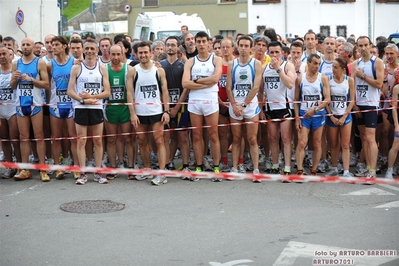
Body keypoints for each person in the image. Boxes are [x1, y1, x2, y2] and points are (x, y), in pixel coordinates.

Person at [67, 39, 111, 185]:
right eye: (87, 49)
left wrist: (92, 98)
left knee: (97, 140)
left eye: (93, 48)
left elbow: (107, 92)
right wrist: (82, 101)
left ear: (97, 50)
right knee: (81, 140)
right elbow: (70, 91)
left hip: (96, 108)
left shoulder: (102, 67)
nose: (90, 51)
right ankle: (82, 173)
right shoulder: (76, 68)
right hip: (81, 108)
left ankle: (98, 172)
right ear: (83, 50)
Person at [126, 41, 170, 186]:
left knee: (159, 141)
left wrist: (166, 111)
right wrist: (132, 114)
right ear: (136, 54)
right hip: (140, 113)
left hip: (156, 112)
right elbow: (129, 93)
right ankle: (147, 169)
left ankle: (162, 173)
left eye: (146, 52)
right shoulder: (133, 70)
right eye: (141, 52)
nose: (143, 55)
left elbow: (165, 92)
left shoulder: (159, 70)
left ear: (151, 53)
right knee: (142, 141)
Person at [182, 31, 223, 181]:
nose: (200, 44)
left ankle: (216, 167)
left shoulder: (216, 59)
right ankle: (199, 166)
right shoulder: (190, 62)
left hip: (210, 101)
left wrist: (197, 81)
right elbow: (185, 83)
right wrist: (205, 82)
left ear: (208, 43)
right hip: (195, 102)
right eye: (198, 41)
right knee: (197, 135)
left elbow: (216, 78)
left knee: (213, 135)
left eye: (203, 41)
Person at [10, 37, 50, 181]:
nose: (25, 47)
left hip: (35, 104)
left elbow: (46, 84)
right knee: (23, 137)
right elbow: (12, 86)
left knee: (39, 136)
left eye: (28, 45)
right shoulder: (16, 63)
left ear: (33, 47)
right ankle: (24, 169)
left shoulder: (39, 62)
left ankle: (43, 169)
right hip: (21, 104)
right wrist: (14, 79)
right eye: (23, 44)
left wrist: (31, 79)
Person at [226, 35, 262, 182]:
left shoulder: (256, 64)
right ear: (237, 46)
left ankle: (255, 170)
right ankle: (234, 168)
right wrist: (235, 105)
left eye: (246, 46)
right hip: (235, 105)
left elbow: (256, 87)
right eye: (241, 45)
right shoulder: (231, 64)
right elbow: (228, 87)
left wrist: (244, 105)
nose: (243, 48)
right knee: (236, 138)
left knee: (252, 139)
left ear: (251, 48)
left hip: (250, 105)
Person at [260, 41, 296, 176]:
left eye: (277, 52)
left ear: (282, 53)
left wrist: (278, 69)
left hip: (284, 107)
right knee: (273, 138)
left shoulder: (288, 65)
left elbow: (290, 84)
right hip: (270, 108)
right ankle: (275, 164)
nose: (274, 55)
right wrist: (261, 109)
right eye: (272, 52)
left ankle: (287, 167)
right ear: (268, 53)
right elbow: (260, 90)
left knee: (286, 138)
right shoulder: (264, 68)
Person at [352, 36, 384, 181]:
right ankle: (367, 168)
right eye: (360, 45)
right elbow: (352, 85)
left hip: (371, 104)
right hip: (359, 104)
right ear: (357, 47)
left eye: (366, 45)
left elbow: (379, 84)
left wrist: (363, 76)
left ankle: (372, 170)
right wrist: (353, 103)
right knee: (364, 138)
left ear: (370, 46)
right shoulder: (355, 64)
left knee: (371, 138)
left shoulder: (377, 62)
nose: (363, 48)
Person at [47, 36, 79, 180]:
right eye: (52, 45)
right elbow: (48, 86)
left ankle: (76, 167)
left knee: (73, 138)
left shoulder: (74, 62)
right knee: (56, 137)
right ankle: (58, 167)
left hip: (71, 104)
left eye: (56, 45)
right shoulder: (50, 65)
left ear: (65, 46)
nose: (53, 47)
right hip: (56, 104)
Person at [295, 54, 331, 176]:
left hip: (318, 115)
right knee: (302, 142)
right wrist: (296, 118)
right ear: (308, 63)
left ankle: (314, 169)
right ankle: (300, 169)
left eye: (319, 63)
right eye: (315, 63)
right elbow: (296, 100)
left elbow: (327, 99)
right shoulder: (300, 78)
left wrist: (315, 110)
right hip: (304, 114)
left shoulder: (323, 78)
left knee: (317, 143)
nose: (317, 66)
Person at [159, 36, 190, 177]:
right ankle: (166, 163)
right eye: (168, 45)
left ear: (178, 47)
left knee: (183, 136)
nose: (170, 47)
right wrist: (166, 107)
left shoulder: (183, 65)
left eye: (173, 45)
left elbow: (186, 88)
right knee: (166, 136)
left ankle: (185, 165)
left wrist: (177, 106)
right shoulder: (159, 66)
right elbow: (158, 89)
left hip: (181, 106)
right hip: (164, 106)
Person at [103, 44, 135, 180]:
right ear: (109, 54)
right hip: (110, 107)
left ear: (123, 54)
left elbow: (131, 91)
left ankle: (131, 167)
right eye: (113, 54)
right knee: (111, 139)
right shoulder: (104, 69)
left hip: (124, 107)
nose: (116, 57)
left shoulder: (129, 69)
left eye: (118, 54)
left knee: (127, 138)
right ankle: (113, 167)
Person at [325, 58, 355, 177]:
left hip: (345, 115)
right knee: (333, 143)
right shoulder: (328, 80)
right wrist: (331, 116)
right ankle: (334, 167)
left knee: (345, 144)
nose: (333, 69)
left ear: (343, 69)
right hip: (332, 115)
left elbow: (352, 100)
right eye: (332, 67)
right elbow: (326, 100)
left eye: (335, 67)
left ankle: (346, 171)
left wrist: (344, 116)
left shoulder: (349, 80)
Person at [0, 45, 21, 179]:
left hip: (13, 109)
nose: (2, 57)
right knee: (4, 139)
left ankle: (20, 166)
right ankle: (9, 166)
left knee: (15, 139)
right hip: (1, 110)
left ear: (10, 55)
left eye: (4, 54)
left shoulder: (15, 71)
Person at [218, 38, 235, 172]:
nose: (224, 49)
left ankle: (239, 159)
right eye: (222, 47)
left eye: (227, 47)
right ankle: (224, 159)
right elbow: (213, 85)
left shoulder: (236, 63)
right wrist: (220, 101)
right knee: (222, 133)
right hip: (221, 102)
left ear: (232, 48)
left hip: (235, 102)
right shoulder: (217, 63)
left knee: (236, 133)